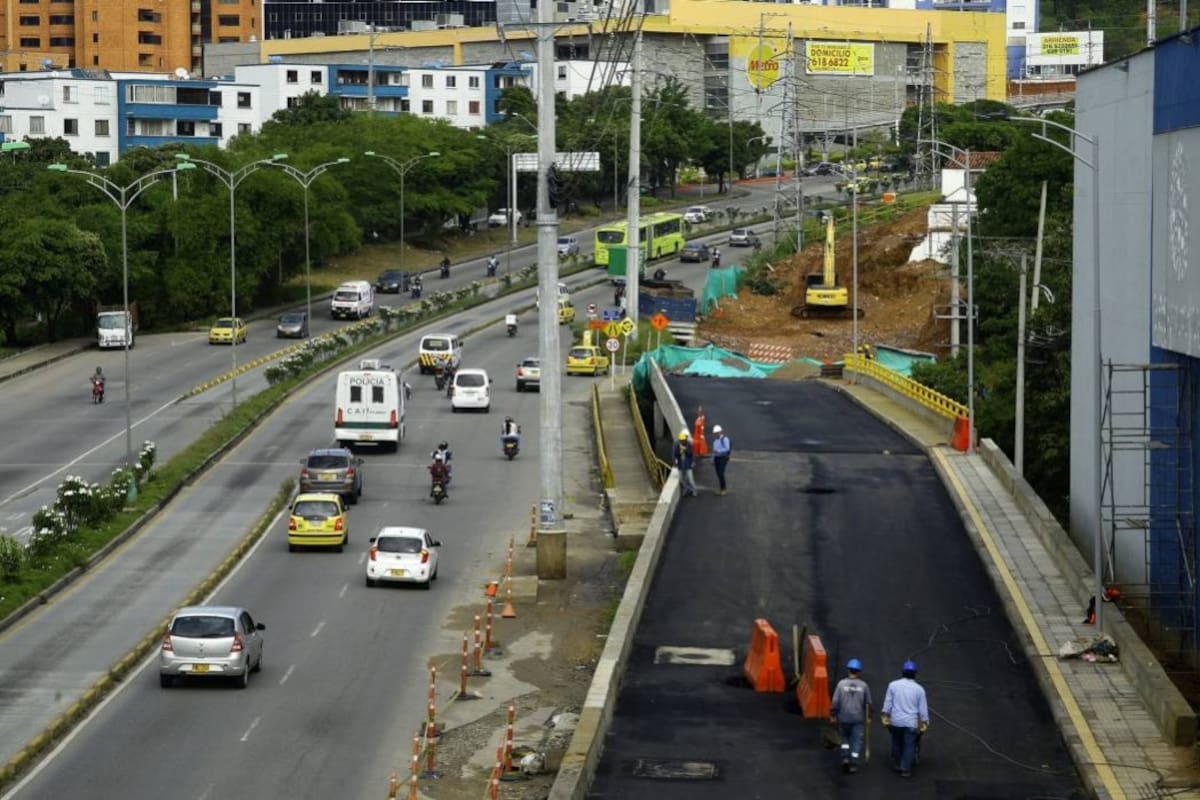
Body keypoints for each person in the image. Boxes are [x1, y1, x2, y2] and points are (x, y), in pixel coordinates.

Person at [882, 661, 929, 779]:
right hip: (911, 723)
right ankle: (905, 769)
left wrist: (885, 715)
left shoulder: (893, 685)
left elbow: (888, 703)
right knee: (909, 746)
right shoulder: (919, 689)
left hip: (896, 721)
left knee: (896, 743)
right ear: (915, 674)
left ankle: (897, 765)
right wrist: (925, 722)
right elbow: (922, 709)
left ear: (902, 672)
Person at [830, 659, 872, 774]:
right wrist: (869, 717)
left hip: (843, 717)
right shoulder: (863, 685)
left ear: (848, 669)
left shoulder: (841, 684)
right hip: (857, 718)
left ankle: (845, 758)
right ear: (858, 671)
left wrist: (833, 715)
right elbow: (868, 703)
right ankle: (853, 763)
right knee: (856, 741)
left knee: (844, 739)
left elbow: (835, 702)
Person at [672, 429, 697, 497]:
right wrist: (674, 461)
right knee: (681, 479)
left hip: (688, 464)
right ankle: (686, 489)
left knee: (690, 479)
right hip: (680, 464)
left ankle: (694, 490)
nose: (682, 442)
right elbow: (674, 454)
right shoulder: (676, 444)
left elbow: (692, 454)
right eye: (681, 440)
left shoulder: (689, 444)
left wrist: (686, 450)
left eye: (683, 440)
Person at [711, 424, 731, 495]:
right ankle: (721, 488)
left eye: (716, 433)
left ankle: (723, 489)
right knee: (718, 473)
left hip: (723, 458)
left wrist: (718, 451)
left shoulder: (725, 439)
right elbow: (714, 451)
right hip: (717, 458)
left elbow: (727, 449)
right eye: (715, 433)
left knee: (721, 473)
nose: (716, 434)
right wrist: (713, 459)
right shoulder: (715, 441)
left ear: (720, 432)